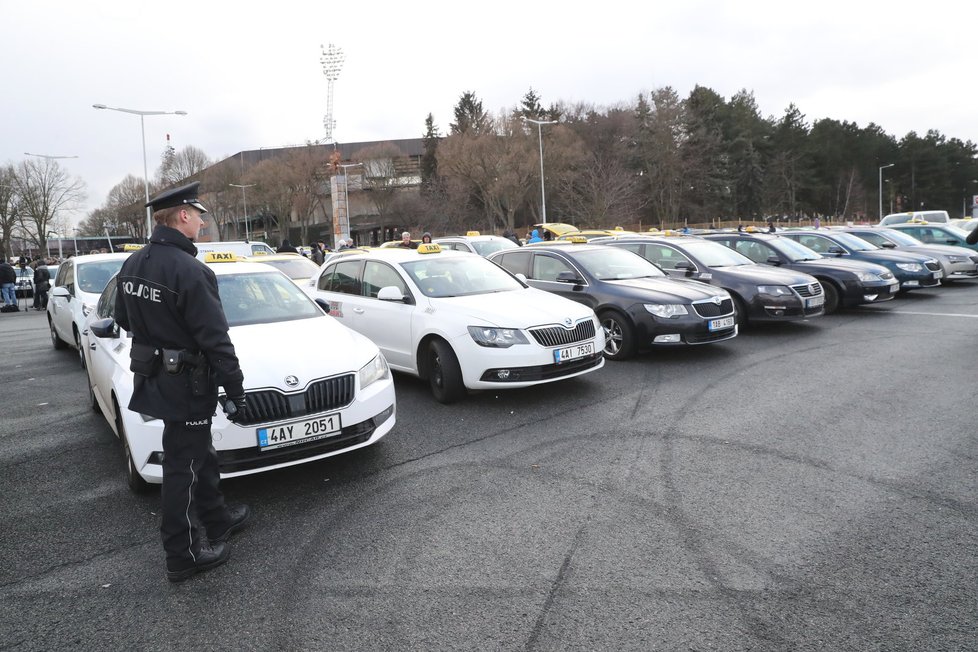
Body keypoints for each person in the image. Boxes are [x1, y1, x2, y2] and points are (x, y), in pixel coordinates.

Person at [114, 181, 251, 583]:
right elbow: (215, 338)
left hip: (157, 376)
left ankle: (215, 517)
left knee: (196, 451)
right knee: (183, 466)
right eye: (200, 215)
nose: (202, 223)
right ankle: (183, 554)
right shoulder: (191, 270)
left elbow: (124, 317)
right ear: (184, 216)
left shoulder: (133, 264)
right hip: (187, 381)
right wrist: (236, 390)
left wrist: (160, 336)